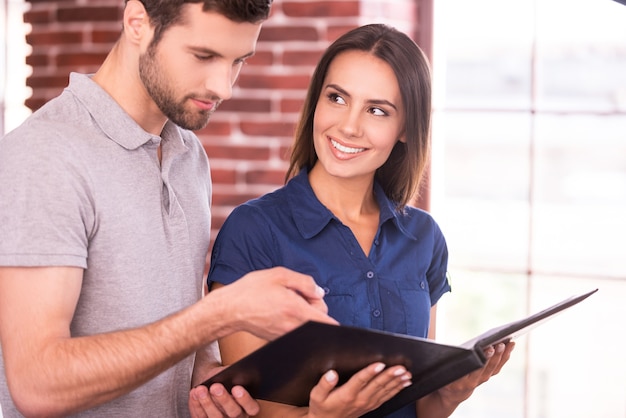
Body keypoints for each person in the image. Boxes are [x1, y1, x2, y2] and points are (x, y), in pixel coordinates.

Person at [0, 1, 338, 417]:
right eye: (204, 56)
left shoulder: (188, 153)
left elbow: (174, 321)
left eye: (238, 61)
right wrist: (218, 314)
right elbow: (37, 384)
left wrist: (210, 378)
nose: (223, 86)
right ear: (137, 22)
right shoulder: (45, 157)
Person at [206, 23, 515, 418]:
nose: (348, 126)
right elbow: (245, 409)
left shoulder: (425, 237)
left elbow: (419, 407)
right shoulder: (254, 231)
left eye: (376, 110)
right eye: (336, 98)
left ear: (405, 129)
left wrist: (449, 394)